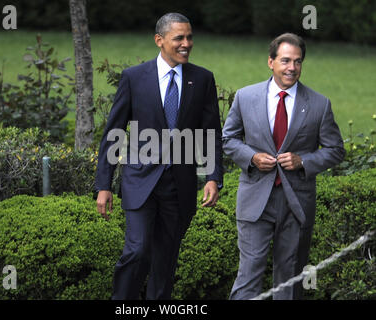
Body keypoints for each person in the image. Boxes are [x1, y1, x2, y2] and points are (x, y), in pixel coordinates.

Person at [95, 12, 223, 300]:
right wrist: (103, 184)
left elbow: (211, 133)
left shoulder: (202, 79)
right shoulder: (134, 78)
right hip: (139, 181)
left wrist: (213, 177)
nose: (186, 43)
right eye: (179, 38)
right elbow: (113, 132)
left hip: (179, 185)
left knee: (165, 260)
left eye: (190, 37)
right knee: (137, 250)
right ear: (159, 40)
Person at [222, 33, 345, 300]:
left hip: (296, 203)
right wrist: (252, 157)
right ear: (271, 61)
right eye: (286, 60)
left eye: (298, 62)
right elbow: (228, 139)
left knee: (289, 278)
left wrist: (304, 161)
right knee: (249, 273)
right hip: (255, 200)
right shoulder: (245, 97)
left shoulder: (319, 104)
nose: (292, 67)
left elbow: (336, 150)